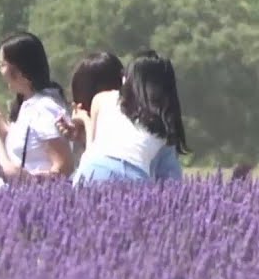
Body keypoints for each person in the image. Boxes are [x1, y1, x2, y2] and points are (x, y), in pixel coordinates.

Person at [58, 50, 187, 181]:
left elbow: (92, 152)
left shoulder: (102, 98)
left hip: (93, 170)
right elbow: (171, 180)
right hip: (134, 177)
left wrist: (85, 120)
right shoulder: (163, 122)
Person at [0, 32, 75, 180]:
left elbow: (64, 166)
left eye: (2, 65)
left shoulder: (44, 108)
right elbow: (21, 145)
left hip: (42, 193)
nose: (1, 71)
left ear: (19, 69)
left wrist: (32, 181)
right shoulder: (28, 104)